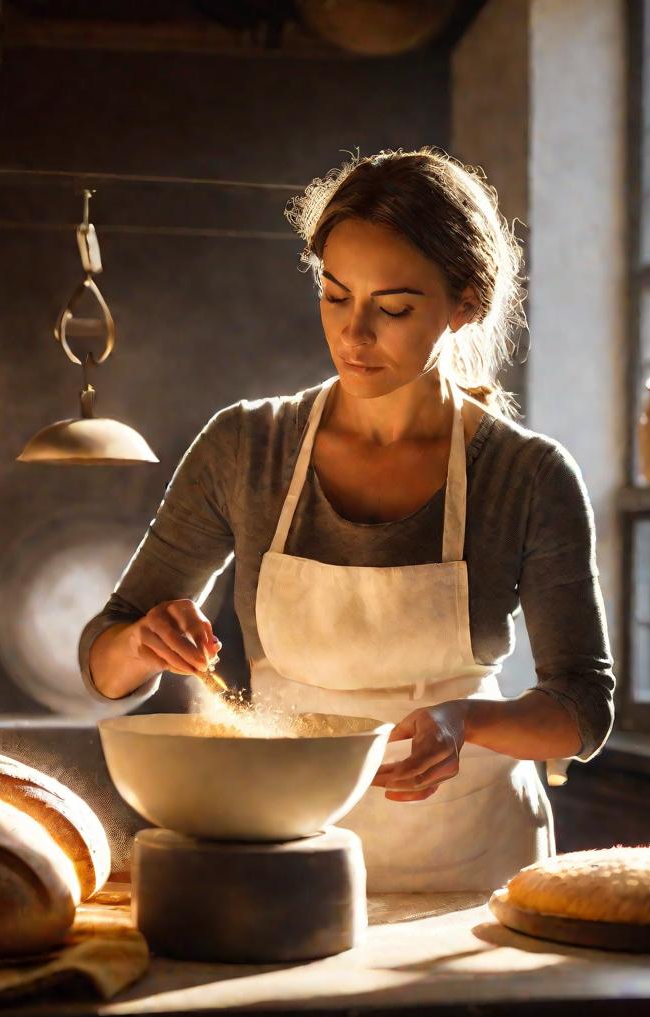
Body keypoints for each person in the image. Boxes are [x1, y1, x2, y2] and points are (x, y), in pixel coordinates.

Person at [80, 147, 615, 892]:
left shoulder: (527, 475)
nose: (355, 335)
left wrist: (464, 720)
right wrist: (141, 640)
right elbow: (102, 667)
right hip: (286, 853)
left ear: (464, 303)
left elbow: (581, 709)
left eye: (393, 309)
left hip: (472, 871)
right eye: (335, 296)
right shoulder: (247, 447)